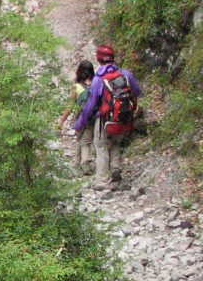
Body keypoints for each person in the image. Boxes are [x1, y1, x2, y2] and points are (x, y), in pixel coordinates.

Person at [72, 44, 141, 187]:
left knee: (101, 146)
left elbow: (90, 105)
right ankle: (116, 168)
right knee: (116, 142)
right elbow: (138, 92)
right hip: (124, 118)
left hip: (104, 120)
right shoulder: (126, 74)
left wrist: (80, 123)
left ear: (99, 59)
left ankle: (102, 180)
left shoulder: (98, 79)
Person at [57, 60, 96, 175]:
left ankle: (82, 164)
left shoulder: (76, 87)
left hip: (80, 117)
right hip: (92, 119)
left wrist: (62, 120)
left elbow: (70, 106)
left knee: (81, 140)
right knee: (86, 141)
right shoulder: (96, 84)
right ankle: (79, 162)